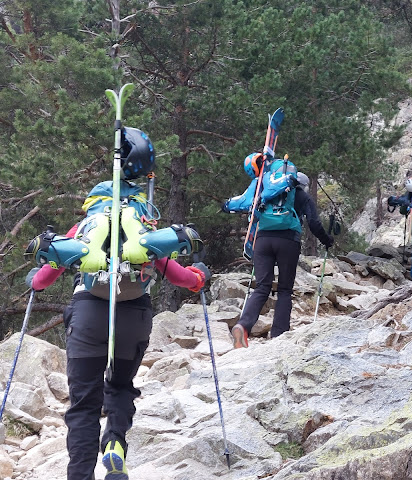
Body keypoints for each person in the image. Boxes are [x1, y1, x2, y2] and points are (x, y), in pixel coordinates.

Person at [24, 127, 209, 480]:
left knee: (83, 404)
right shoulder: (143, 224)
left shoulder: (86, 227)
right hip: (134, 314)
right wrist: (198, 278)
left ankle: (80, 474)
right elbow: (173, 273)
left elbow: (46, 275)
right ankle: (115, 445)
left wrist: (33, 282)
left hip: (89, 311)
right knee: (121, 387)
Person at [227, 169, 334, 348]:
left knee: (262, 287)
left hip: (263, 240)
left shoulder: (270, 192)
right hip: (288, 241)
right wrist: (327, 240)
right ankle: (279, 335)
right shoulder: (302, 197)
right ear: (302, 185)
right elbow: (314, 224)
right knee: (284, 290)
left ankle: (243, 326)